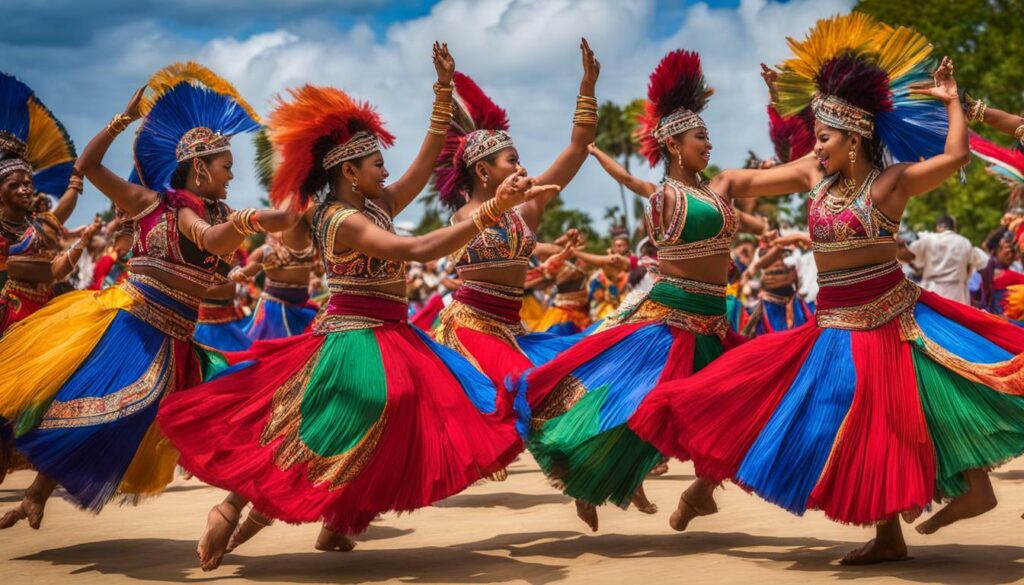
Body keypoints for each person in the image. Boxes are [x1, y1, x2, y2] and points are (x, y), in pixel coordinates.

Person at [628, 12, 1024, 565]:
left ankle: (957, 498)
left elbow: (955, 157)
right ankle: (886, 535)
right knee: (790, 406)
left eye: (822, 138)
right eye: (813, 138)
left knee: (902, 413)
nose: (813, 147)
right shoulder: (815, 176)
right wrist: (700, 198)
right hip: (832, 324)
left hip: (889, 319)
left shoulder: (893, 183)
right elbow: (739, 182)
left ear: (856, 138)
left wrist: (954, 100)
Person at [157, 45, 559, 572]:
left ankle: (337, 522)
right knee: (343, 418)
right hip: (353, 334)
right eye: (375, 163)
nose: (386, 170)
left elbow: (423, 159)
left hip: (393, 331)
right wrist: (491, 212)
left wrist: (442, 92)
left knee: (407, 413)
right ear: (349, 171)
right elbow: (415, 250)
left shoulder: (378, 203)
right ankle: (233, 509)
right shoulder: (339, 219)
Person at [0, 62, 296, 528]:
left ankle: (242, 503)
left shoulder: (222, 210)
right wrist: (121, 121)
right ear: (199, 167)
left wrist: (293, 216)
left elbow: (221, 265)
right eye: (226, 167)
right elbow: (88, 167)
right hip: (129, 325)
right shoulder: (154, 203)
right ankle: (36, 491)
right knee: (95, 415)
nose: (232, 177)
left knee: (179, 423)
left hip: (179, 335)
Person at [514, 50, 759, 531]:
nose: (708, 144)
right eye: (699, 137)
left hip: (714, 322)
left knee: (746, 406)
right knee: (639, 412)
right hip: (671, 322)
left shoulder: (713, 191)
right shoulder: (666, 195)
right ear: (672, 144)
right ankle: (588, 477)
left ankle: (699, 490)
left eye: (709, 135)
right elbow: (629, 178)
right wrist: (597, 151)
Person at [432, 40, 599, 396]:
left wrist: (587, 87)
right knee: (522, 393)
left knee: (580, 380)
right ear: (483, 171)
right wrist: (444, 89)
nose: (521, 167)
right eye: (511, 160)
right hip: (469, 331)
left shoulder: (528, 208)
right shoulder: (465, 216)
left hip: (514, 329)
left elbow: (578, 147)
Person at [0, 72, 87, 335]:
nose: (24, 189)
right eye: (13, 185)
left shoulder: (38, 225)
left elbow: (62, 212)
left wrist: (78, 175)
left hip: (45, 307)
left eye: (27, 183)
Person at [898, 214, 988, 304]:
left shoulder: (929, 239)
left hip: (933, 292)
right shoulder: (965, 242)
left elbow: (908, 254)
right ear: (953, 228)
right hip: (959, 295)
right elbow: (983, 261)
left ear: (939, 226)